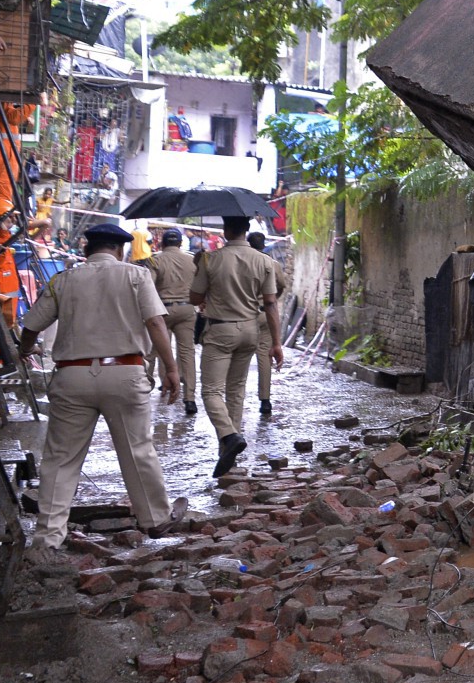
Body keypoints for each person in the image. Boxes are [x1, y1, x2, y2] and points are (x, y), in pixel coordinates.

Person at [17, 222, 183, 563]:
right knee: (137, 450)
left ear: (85, 249)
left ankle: (48, 539)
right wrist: (171, 367)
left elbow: (32, 325)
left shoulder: (64, 279)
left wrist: (24, 349)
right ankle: (156, 519)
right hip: (124, 373)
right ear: (120, 250)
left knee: (61, 459)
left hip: (72, 377)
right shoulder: (136, 277)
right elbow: (155, 323)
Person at [190, 216, 284, 477]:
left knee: (210, 392)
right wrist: (277, 343)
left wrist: (200, 266)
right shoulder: (264, 260)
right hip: (250, 330)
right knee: (236, 390)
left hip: (220, 330)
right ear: (247, 230)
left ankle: (229, 435)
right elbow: (271, 303)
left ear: (225, 230)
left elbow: (194, 297)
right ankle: (227, 453)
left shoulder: (211, 259)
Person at [146, 229, 199, 415]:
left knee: (157, 349)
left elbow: (148, 287)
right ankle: (190, 398)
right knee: (187, 353)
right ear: (180, 244)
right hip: (186, 309)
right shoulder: (192, 260)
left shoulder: (155, 260)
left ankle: (154, 388)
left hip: (162, 309)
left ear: (162, 244)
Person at [247, 231, 291, 417]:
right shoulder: (272, 264)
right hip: (265, 313)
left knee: (240, 356)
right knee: (265, 357)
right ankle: (265, 400)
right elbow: (281, 285)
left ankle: (235, 397)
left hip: (245, 315)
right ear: (264, 244)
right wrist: (271, 298)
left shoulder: (243, 262)